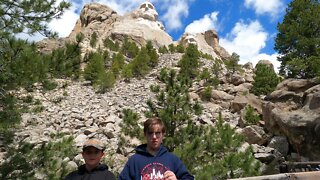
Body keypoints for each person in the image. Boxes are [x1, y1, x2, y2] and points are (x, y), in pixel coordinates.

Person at [119, 117, 194, 180]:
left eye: (157, 133)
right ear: (145, 134)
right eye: (150, 133)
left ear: (163, 135)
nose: (154, 137)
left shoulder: (172, 159)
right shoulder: (134, 161)